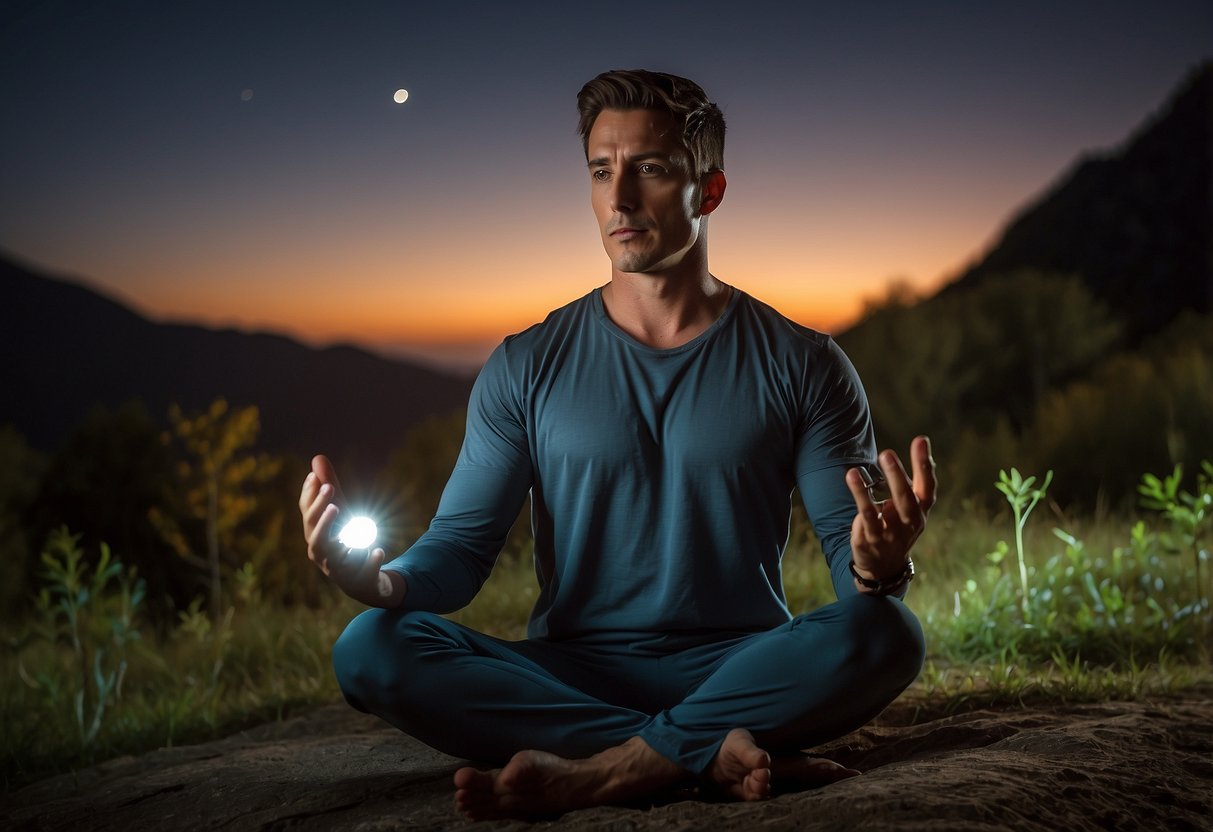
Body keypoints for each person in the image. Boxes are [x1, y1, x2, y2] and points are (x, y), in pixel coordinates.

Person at [299, 68, 937, 820]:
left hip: (740, 667)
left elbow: (849, 557)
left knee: (887, 631)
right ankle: (687, 754)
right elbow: (461, 549)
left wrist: (876, 567)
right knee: (370, 647)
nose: (619, 198)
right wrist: (375, 582)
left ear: (710, 190)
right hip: (569, 676)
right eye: (601, 171)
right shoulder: (525, 364)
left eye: (652, 169)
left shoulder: (804, 363)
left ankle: (608, 767)